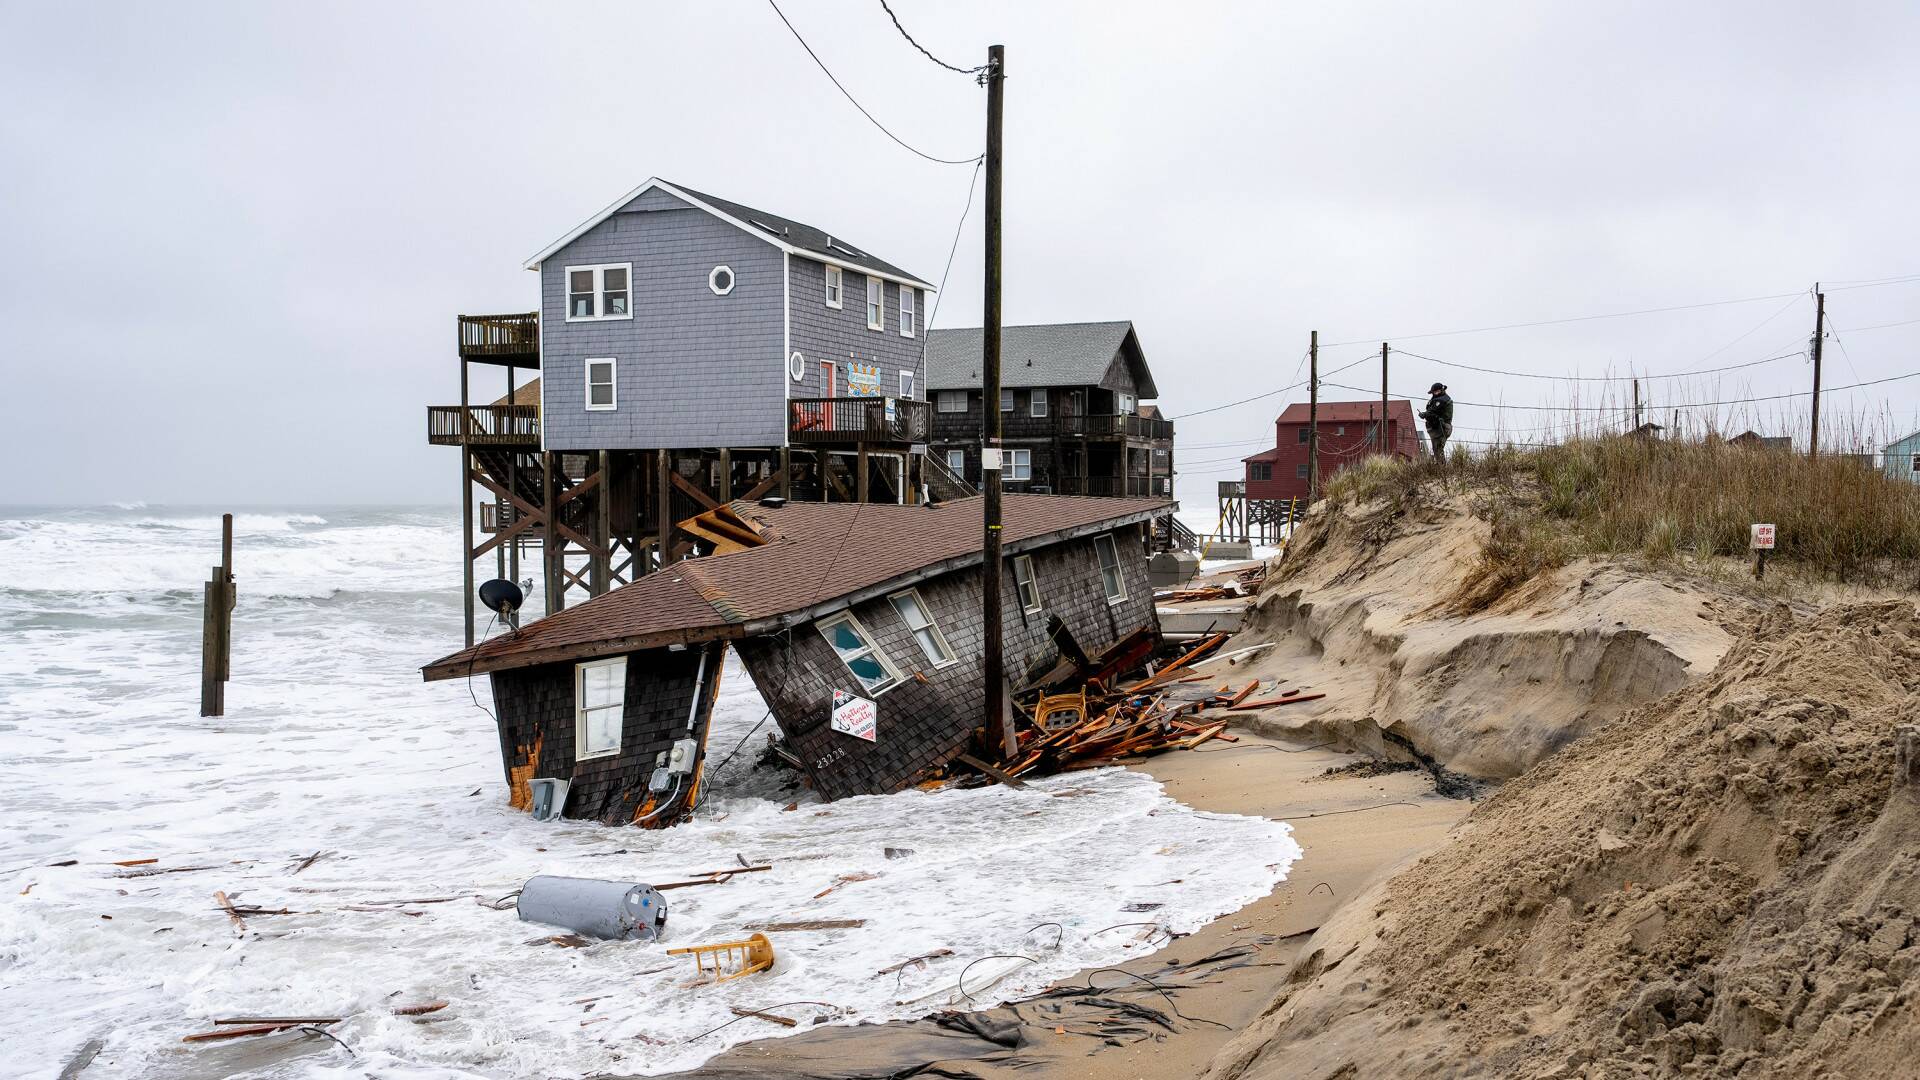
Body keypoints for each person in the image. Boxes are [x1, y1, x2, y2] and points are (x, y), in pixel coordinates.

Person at [1419, 382, 1454, 462]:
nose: (1435, 393)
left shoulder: (1441, 400)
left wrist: (1424, 414)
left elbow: (1432, 412)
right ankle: (1440, 468)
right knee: (1437, 450)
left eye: (1436, 391)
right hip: (1438, 427)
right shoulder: (1440, 399)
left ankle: (1442, 470)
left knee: (1438, 449)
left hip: (1441, 427)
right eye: (1434, 392)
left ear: (1441, 390)